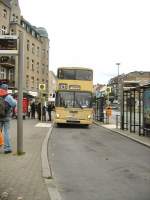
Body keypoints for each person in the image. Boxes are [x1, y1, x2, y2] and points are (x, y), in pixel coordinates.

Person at [0, 84, 17, 154]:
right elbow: (14, 104)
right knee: (6, 132)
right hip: (6, 117)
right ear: (6, 89)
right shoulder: (8, 97)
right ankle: (7, 148)